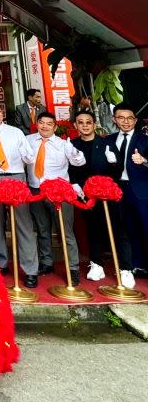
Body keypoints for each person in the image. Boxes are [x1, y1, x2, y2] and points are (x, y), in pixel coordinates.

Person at [0, 100, 40, 288]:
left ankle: (30, 269)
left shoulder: (15, 132)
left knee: (23, 223)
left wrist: (27, 155)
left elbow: (29, 156)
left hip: (16, 176)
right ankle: (1, 263)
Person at [26, 112, 86, 285]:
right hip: (35, 190)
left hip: (59, 192)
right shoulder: (28, 140)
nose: (44, 126)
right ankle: (46, 262)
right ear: (37, 124)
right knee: (42, 229)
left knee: (65, 231)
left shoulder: (63, 144)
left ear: (55, 126)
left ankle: (72, 268)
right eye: (41, 123)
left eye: (49, 124)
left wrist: (74, 152)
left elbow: (79, 162)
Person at [70, 109, 120, 283]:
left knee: (114, 227)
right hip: (84, 194)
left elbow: (117, 169)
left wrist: (113, 164)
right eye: (81, 122)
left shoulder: (105, 143)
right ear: (75, 125)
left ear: (94, 124)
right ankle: (96, 263)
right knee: (92, 228)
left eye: (88, 122)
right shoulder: (72, 144)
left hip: (107, 194)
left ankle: (124, 266)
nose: (85, 125)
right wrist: (75, 186)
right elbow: (69, 170)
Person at [104, 103, 148, 288]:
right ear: (114, 119)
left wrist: (144, 160)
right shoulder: (109, 140)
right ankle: (136, 265)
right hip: (118, 190)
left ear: (135, 120)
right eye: (121, 118)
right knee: (126, 229)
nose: (126, 122)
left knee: (145, 227)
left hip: (141, 191)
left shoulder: (144, 140)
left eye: (130, 118)